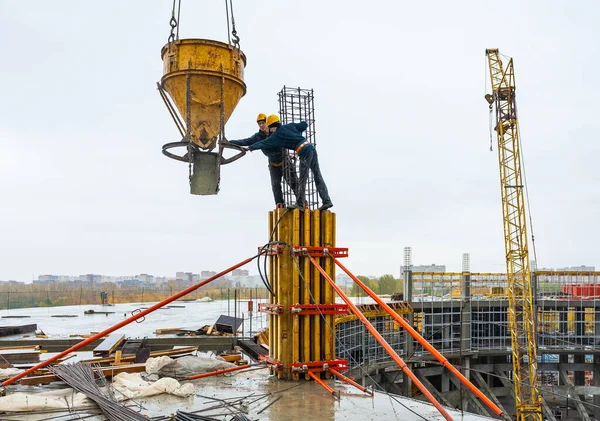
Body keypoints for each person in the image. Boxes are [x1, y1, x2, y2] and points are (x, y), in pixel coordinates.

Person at [247, 114, 333, 211]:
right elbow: (304, 125)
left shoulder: (277, 135)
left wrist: (250, 147)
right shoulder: (290, 126)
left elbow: (263, 143)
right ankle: (326, 201)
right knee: (317, 175)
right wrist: (296, 135)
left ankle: (300, 204)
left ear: (272, 126)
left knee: (302, 179)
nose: (270, 131)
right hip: (310, 148)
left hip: (303, 152)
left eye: (270, 128)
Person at [228, 113, 299, 207]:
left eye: (263, 123)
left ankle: (302, 202)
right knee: (275, 185)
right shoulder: (258, 136)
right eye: (259, 123)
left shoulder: (276, 131)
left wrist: (295, 153)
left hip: (285, 161)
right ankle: (280, 204)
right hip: (273, 164)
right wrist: (230, 142)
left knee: (293, 182)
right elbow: (245, 141)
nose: (261, 125)